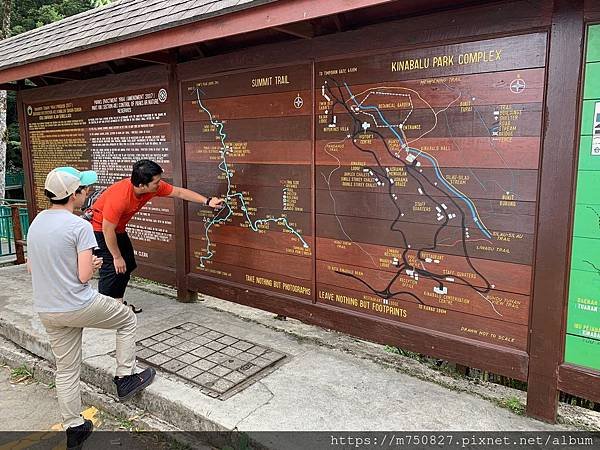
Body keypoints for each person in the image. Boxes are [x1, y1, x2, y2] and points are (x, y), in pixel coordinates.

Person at [27, 167, 156, 450]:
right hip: (77, 303)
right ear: (74, 195)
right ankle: (125, 377)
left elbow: (32, 266)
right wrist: (94, 265)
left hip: (47, 308)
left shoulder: (36, 222)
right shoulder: (80, 226)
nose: (88, 194)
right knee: (126, 320)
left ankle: (74, 427)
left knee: (67, 369)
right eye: (84, 190)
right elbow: (84, 276)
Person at [90, 159, 224, 311]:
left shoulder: (153, 187)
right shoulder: (120, 197)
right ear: (141, 185)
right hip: (100, 230)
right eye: (156, 182)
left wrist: (207, 201)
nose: (159, 185)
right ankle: (105, 312)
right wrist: (116, 256)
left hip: (117, 230)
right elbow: (107, 230)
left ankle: (117, 306)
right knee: (112, 268)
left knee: (127, 264)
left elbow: (179, 192)